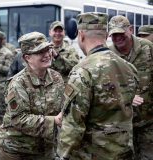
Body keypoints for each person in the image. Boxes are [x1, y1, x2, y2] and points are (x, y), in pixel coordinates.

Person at [56, 12, 138, 160]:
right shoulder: (129, 68)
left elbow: (73, 126)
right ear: (106, 35)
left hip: (94, 153)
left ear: (81, 35)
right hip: (123, 151)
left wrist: (62, 156)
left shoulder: (82, 71)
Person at [0, 32, 64, 160]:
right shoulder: (18, 83)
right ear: (27, 58)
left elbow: (63, 108)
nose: (47, 55)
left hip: (45, 149)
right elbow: (19, 119)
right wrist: (54, 121)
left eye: (48, 49)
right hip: (17, 151)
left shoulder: (57, 78)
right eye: (40, 52)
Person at [108, 15, 153, 160]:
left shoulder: (147, 47)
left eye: (121, 33)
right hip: (122, 126)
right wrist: (125, 97)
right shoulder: (108, 55)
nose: (118, 38)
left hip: (148, 123)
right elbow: (103, 88)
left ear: (131, 30)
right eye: (114, 35)